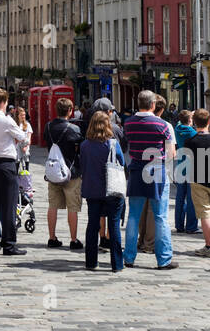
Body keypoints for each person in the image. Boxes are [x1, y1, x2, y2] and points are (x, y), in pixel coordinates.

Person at [123, 89, 178, 270]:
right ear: (153, 105)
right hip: (157, 171)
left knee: (133, 215)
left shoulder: (128, 124)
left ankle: (129, 257)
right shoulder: (161, 125)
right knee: (160, 217)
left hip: (137, 170)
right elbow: (171, 153)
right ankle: (164, 259)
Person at [77, 110, 126, 272]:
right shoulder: (113, 144)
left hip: (92, 189)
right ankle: (117, 264)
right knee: (113, 226)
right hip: (112, 189)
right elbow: (122, 162)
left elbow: (82, 165)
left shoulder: (84, 145)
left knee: (92, 225)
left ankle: (91, 262)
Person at [0, 88, 29, 257]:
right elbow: (23, 137)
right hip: (7, 164)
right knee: (9, 205)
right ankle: (9, 244)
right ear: (3, 102)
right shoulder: (7, 120)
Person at [185, 109, 210, 257]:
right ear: (209, 122)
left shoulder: (191, 141)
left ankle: (208, 246)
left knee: (205, 214)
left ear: (195, 122)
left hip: (199, 180)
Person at [45, 97, 83, 251]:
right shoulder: (74, 129)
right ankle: (73, 240)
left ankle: (52, 237)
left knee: (52, 205)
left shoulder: (48, 127)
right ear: (70, 111)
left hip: (53, 171)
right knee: (72, 207)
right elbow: (79, 148)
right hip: (71, 172)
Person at [172, 109, 198, 235]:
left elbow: (179, 122)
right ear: (189, 120)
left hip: (180, 165)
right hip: (192, 166)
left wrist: (189, 115)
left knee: (180, 197)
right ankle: (191, 226)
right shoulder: (192, 132)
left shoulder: (177, 129)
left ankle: (179, 224)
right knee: (192, 197)